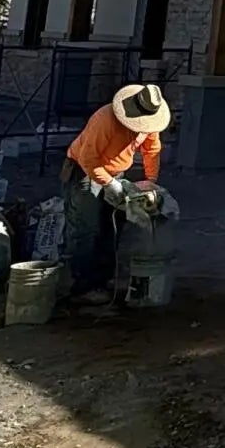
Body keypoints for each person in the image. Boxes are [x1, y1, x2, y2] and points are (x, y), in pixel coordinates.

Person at [63, 83, 170, 295]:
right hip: (85, 171)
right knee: (86, 229)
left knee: (111, 228)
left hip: (116, 172)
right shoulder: (105, 119)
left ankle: (103, 280)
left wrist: (150, 181)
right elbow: (88, 159)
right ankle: (82, 286)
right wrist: (109, 184)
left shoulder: (150, 123)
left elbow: (152, 151)